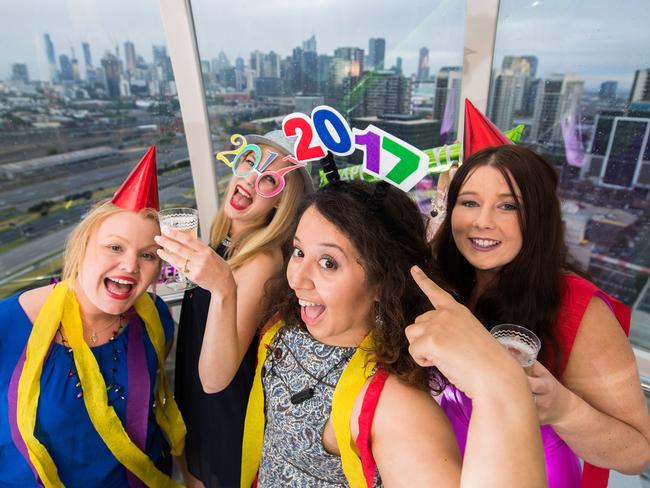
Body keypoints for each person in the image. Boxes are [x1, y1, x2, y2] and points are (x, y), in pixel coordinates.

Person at [238, 177, 547, 487]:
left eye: (328, 263)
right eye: (299, 252)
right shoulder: (288, 325)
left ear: (382, 281)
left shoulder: (392, 406)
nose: (297, 278)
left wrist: (501, 384)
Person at [432, 144, 650, 487]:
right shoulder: (442, 281)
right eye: (470, 202)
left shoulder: (577, 308)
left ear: (539, 217)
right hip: (440, 468)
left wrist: (562, 408)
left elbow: (637, 452)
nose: (482, 221)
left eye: (508, 206)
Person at [0, 147, 185, 487]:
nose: (130, 266)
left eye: (147, 254)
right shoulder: (7, 326)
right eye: (115, 247)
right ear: (82, 247)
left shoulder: (154, 318)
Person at [156, 130, 312, 487]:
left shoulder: (262, 262)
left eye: (270, 180)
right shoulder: (226, 243)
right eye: (249, 162)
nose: (251, 180)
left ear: (281, 203)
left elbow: (215, 378)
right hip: (198, 409)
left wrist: (222, 287)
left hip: (225, 420)